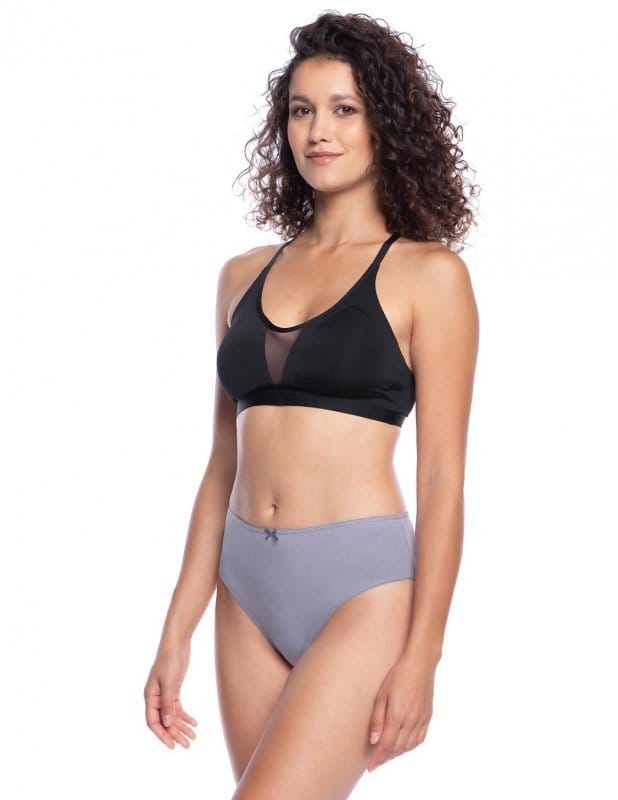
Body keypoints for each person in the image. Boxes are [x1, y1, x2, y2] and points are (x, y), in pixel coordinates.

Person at [144, 11, 479, 798]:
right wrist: (176, 629)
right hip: (245, 588)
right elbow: (222, 465)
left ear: (385, 126)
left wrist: (424, 653)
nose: (318, 131)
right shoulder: (242, 275)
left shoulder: (430, 276)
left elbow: (442, 478)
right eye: (302, 110)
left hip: (361, 588)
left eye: (343, 109)